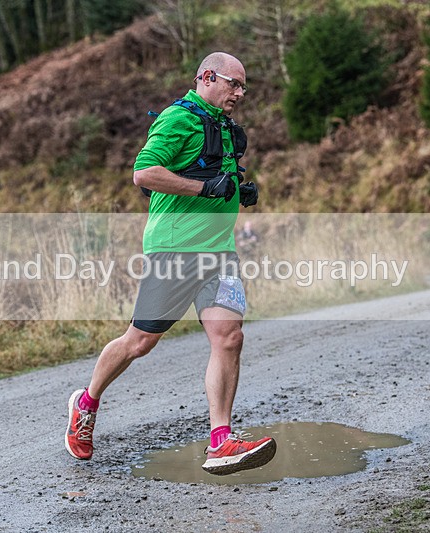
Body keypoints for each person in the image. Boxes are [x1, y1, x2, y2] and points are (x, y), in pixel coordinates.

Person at [65, 52, 275, 476]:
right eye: (234, 84)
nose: (240, 93)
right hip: (174, 251)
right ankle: (86, 403)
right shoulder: (178, 119)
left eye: (243, 87)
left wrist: (236, 189)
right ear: (207, 77)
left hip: (218, 254)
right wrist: (203, 189)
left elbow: (218, 177)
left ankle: (221, 441)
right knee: (139, 343)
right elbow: (144, 173)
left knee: (229, 337)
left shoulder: (225, 127)